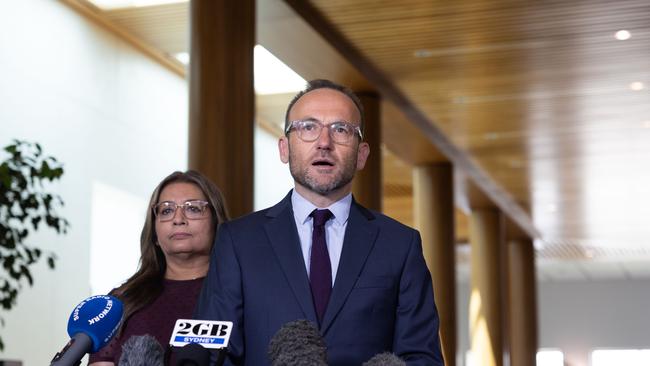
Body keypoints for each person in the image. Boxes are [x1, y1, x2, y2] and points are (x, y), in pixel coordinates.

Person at [196, 79, 443, 365]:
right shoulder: (238, 242)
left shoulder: (400, 245)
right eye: (308, 127)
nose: (324, 143)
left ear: (362, 155)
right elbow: (214, 356)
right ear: (284, 149)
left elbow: (422, 357)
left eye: (341, 130)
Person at [89, 170, 229, 365]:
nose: (178, 219)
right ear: (154, 232)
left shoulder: (238, 295)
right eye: (166, 210)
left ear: (217, 222)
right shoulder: (121, 301)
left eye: (193, 209)